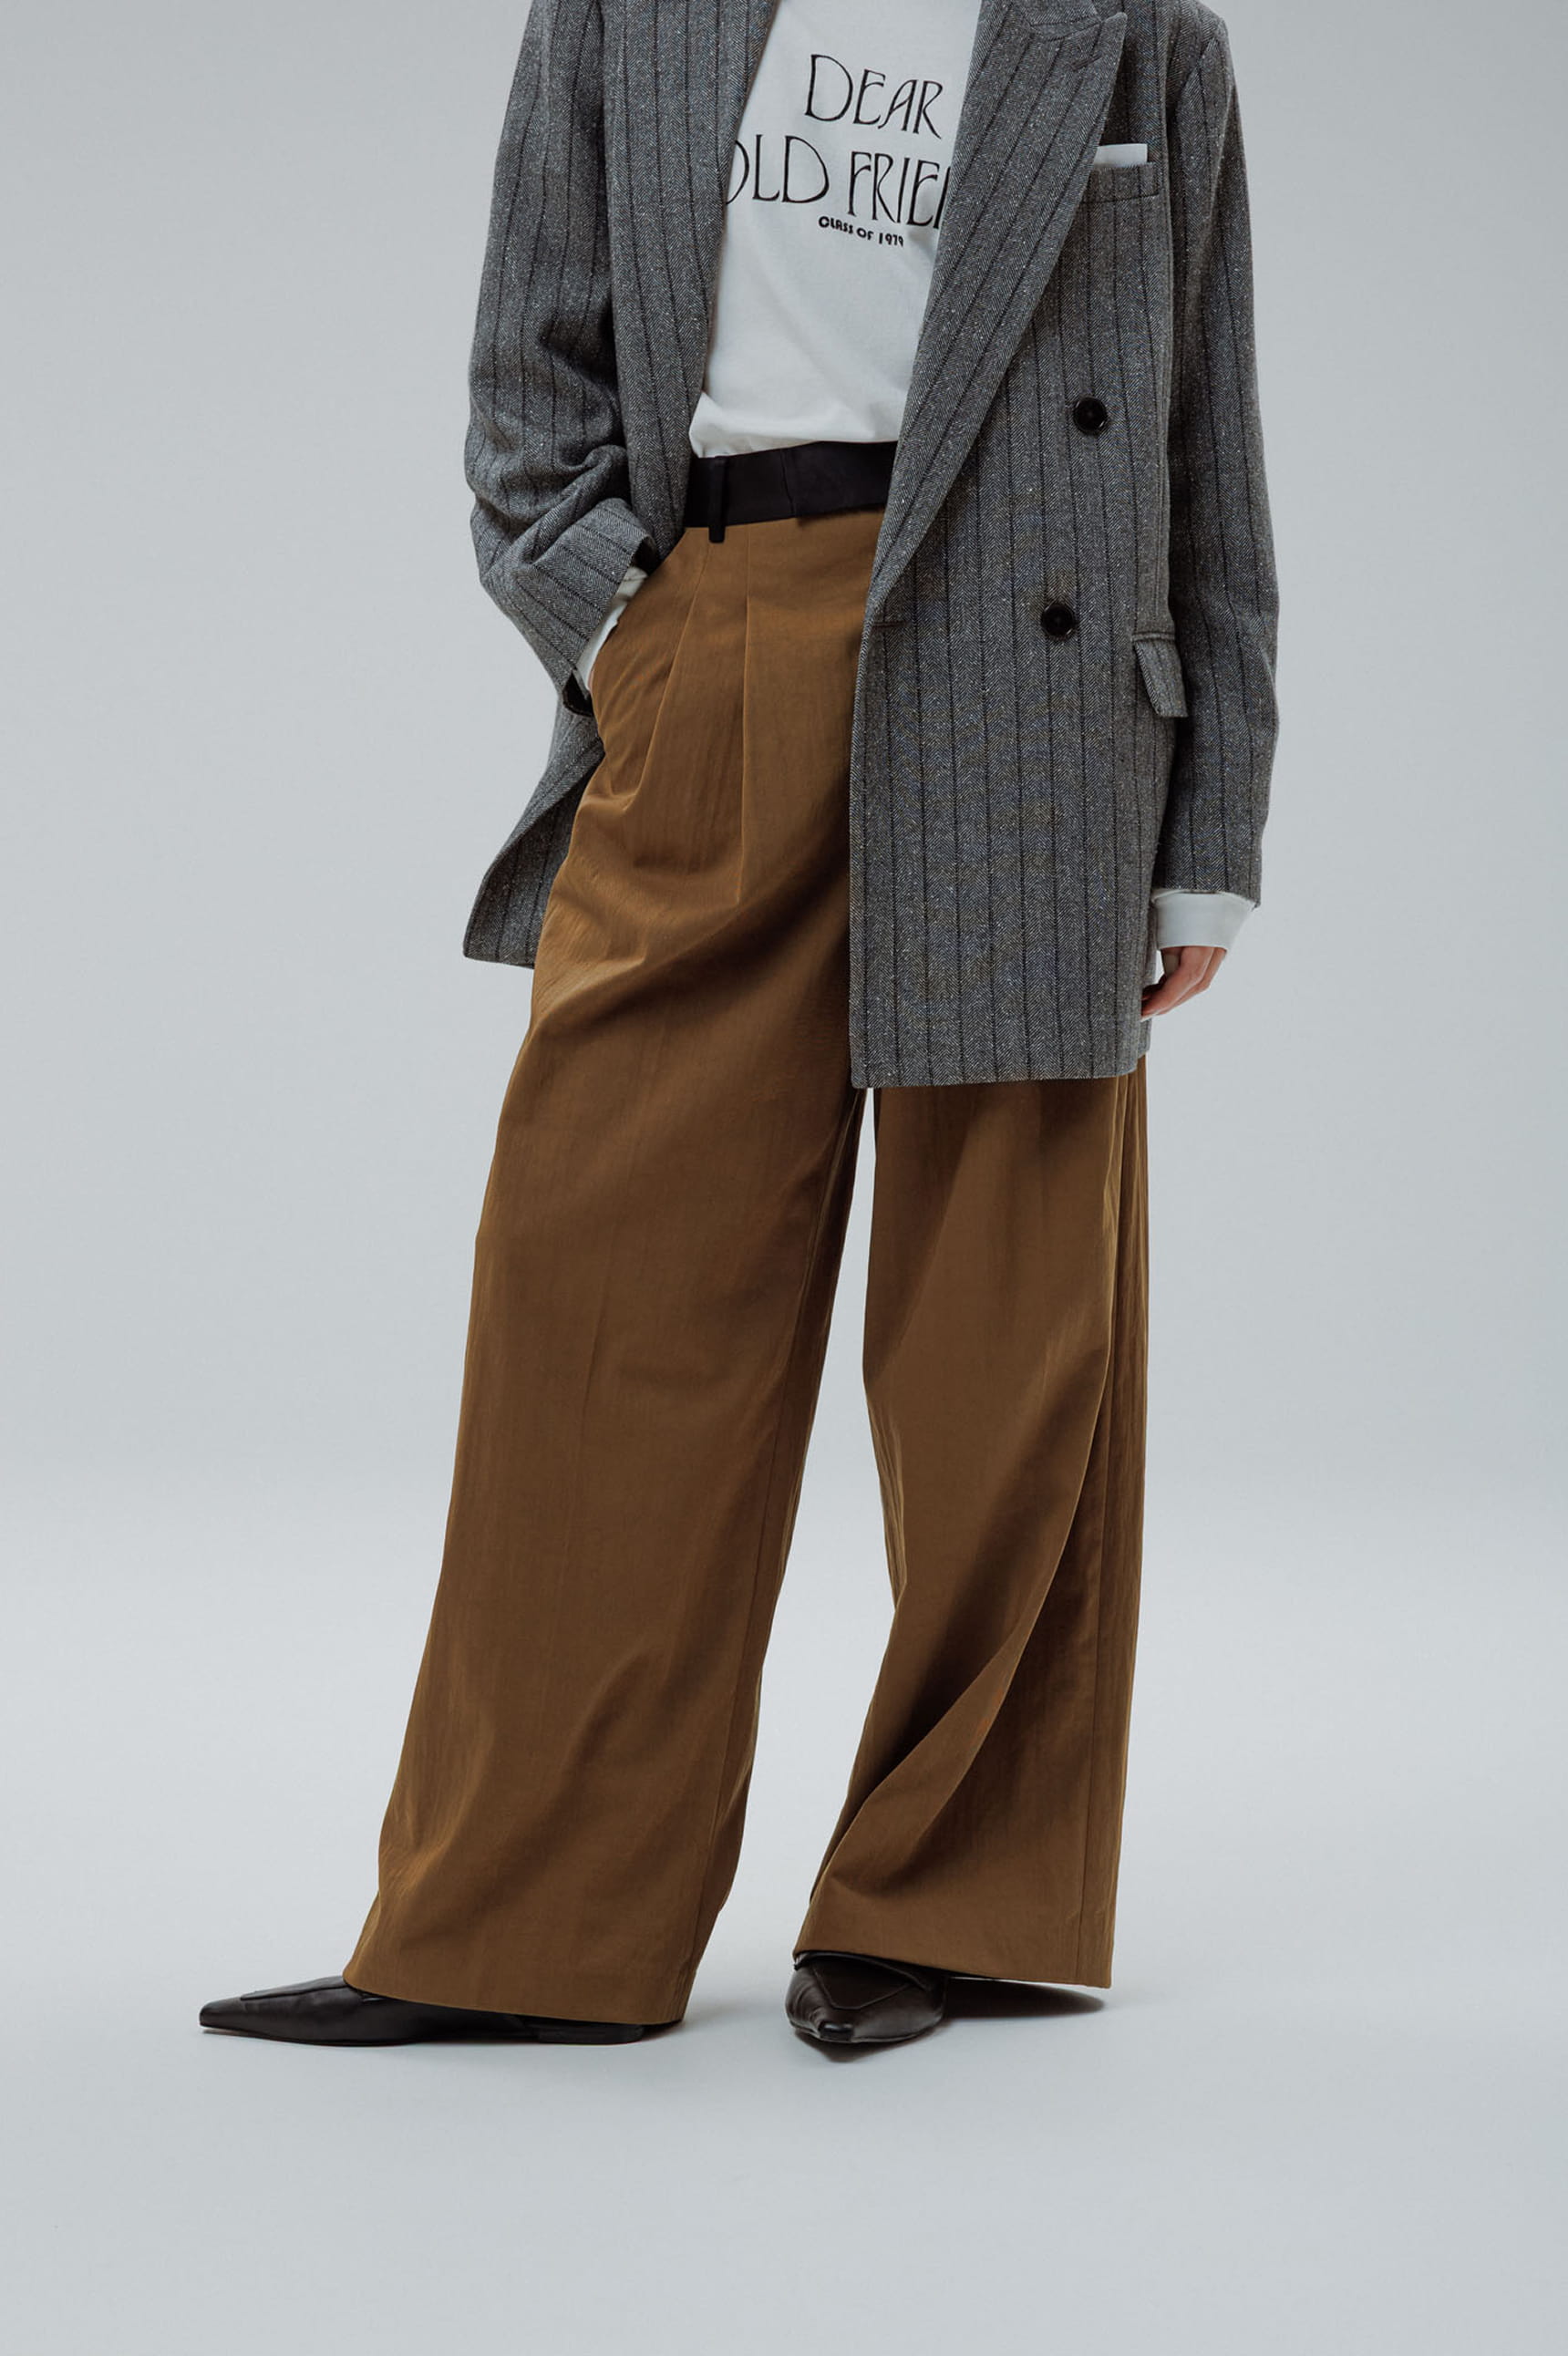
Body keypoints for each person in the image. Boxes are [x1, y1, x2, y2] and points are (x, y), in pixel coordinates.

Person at [201, 0, 1276, 2054]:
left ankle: (946, 1907)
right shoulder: (630, 8)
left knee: (1003, 1339)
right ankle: (521, 1922)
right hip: (723, 626)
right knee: (601, 1288)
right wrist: (632, 626)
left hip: (1039, 692)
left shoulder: (1136, 31)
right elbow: (534, 366)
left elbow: (1201, 433)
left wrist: (1206, 827)